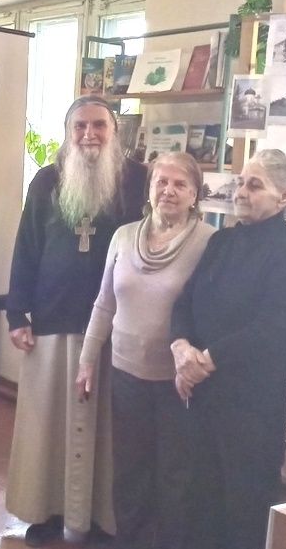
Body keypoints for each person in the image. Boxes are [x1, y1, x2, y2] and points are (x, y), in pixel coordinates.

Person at [5, 95, 147, 546]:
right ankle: (47, 512)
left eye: (99, 125)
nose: (89, 134)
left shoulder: (138, 180)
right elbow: (27, 246)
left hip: (116, 328)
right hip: (52, 319)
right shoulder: (47, 181)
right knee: (49, 426)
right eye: (80, 126)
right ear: (68, 134)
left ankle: (104, 518)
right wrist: (16, 313)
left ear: (114, 132)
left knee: (107, 430)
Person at [169, 148, 286, 549]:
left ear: (285, 197)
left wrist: (206, 360)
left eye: (254, 185)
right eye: (240, 183)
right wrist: (181, 349)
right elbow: (185, 302)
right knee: (197, 502)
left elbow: (276, 326)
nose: (241, 192)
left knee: (242, 510)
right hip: (201, 396)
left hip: (251, 407)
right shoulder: (222, 241)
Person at [76, 152, 215, 549]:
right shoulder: (123, 236)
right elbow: (104, 303)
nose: (168, 190)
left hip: (178, 383)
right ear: (149, 188)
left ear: (195, 195)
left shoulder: (209, 242)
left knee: (174, 477)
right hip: (126, 375)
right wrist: (87, 360)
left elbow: (213, 310)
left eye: (180, 184)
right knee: (129, 472)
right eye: (161, 182)